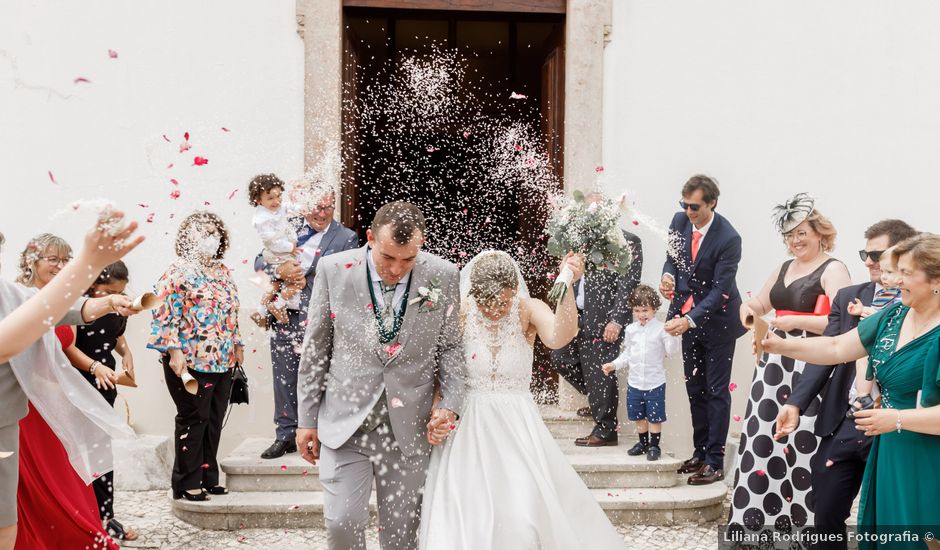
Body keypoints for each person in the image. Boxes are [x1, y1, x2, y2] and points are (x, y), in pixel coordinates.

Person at [420, 250, 624, 549]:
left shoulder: (527, 309)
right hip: (467, 427)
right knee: (467, 510)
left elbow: (561, 336)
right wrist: (437, 410)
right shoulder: (461, 311)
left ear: (514, 291)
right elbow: (443, 370)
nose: (493, 311)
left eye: (502, 302)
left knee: (522, 511)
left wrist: (566, 288)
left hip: (516, 425)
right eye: (486, 303)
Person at [295, 201, 466, 550]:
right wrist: (306, 419)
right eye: (388, 257)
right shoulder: (333, 269)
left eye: (408, 260)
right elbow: (316, 348)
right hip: (345, 424)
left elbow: (450, 348)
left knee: (402, 536)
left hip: (409, 428)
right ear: (371, 238)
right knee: (342, 523)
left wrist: (449, 405)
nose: (397, 269)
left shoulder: (443, 275)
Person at [767, 233, 940, 550]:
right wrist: (780, 344)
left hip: (928, 456)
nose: (894, 280)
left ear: (936, 280)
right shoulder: (892, 316)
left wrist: (897, 419)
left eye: (905, 273)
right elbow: (835, 347)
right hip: (892, 450)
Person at [0, 215, 142, 550]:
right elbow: (11, 338)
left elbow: (56, 308)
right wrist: (87, 262)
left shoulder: (8, 292)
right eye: (54, 259)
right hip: (25, 408)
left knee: (6, 523)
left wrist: (107, 301)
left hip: (5, 420)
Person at [729, 194, 852, 533]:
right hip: (774, 366)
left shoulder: (834, 268)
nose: (796, 241)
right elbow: (760, 300)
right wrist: (748, 310)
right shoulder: (784, 268)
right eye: (790, 235)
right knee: (765, 436)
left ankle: (806, 524)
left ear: (820, 232)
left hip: (810, 364)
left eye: (802, 233)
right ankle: (763, 521)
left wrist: (792, 321)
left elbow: (839, 323)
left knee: (802, 442)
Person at [253, 181, 358, 459]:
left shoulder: (346, 237)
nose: (322, 213)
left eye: (327, 207)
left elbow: (347, 279)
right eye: (316, 207)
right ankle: (285, 435)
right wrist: (281, 270)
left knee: (319, 378)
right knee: (284, 377)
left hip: (321, 320)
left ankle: (321, 433)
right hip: (287, 316)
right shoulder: (289, 227)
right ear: (304, 206)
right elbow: (258, 262)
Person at [148, 211, 243, 502]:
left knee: (214, 419)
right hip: (190, 360)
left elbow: (231, 311)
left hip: (222, 359)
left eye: (214, 232)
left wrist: (237, 344)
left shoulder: (223, 272)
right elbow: (163, 314)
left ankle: (207, 476)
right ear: (188, 238)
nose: (209, 238)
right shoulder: (177, 271)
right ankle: (185, 481)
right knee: (194, 418)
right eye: (202, 233)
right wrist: (174, 351)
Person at [660, 174, 745, 485]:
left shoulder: (729, 238)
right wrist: (668, 277)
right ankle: (699, 452)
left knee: (716, 392)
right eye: (684, 204)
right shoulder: (678, 221)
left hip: (719, 324)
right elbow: (672, 259)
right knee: (695, 389)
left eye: (694, 206)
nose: (688, 211)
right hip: (687, 320)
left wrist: (689, 319)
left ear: (712, 203)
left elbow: (720, 291)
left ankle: (715, 460)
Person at [551, 191, 643, 447]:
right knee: (560, 357)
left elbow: (628, 285)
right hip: (575, 316)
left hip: (604, 320)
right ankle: (597, 402)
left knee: (600, 371)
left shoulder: (628, 241)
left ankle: (605, 430)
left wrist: (617, 320)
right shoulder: (577, 241)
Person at [63, 261, 139, 541]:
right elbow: (67, 347)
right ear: (93, 284)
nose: (111, 296)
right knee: (79, 451)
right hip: (79, 381)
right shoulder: (76, 304)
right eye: (106, 291)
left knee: (101, 451)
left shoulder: (118, 303)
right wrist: (95, 366)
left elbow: (115, 332)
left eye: (118, 291)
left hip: (106, 383)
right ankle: (83, 514)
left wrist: (126, 352)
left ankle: (106, 515)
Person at [601, 284, 680, 461]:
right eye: (637, 310)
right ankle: (643, 443)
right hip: (635, 382)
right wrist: (613, 364)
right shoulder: (630, 330)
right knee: (638, 416)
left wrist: (672, 335)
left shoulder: (661, 328)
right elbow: (628, 354)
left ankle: (654, 445)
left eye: (645, 310)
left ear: (654, 308)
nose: (641, 314)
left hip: (655, 382)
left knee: (654, 416)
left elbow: (671, 350)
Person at [248, 174, 303, 325]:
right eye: (270, 198)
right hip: (278, 253)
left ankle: (260, 311)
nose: (276, 201)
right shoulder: (262, 220)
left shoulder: (278, 208)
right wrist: (290, 246)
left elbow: (289, 207)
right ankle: (277, 305)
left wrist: (303, 207)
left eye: (278, 196)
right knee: (299, 282)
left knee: (276, 284)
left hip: (279, 252)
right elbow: (271, 242)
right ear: (258, 200)